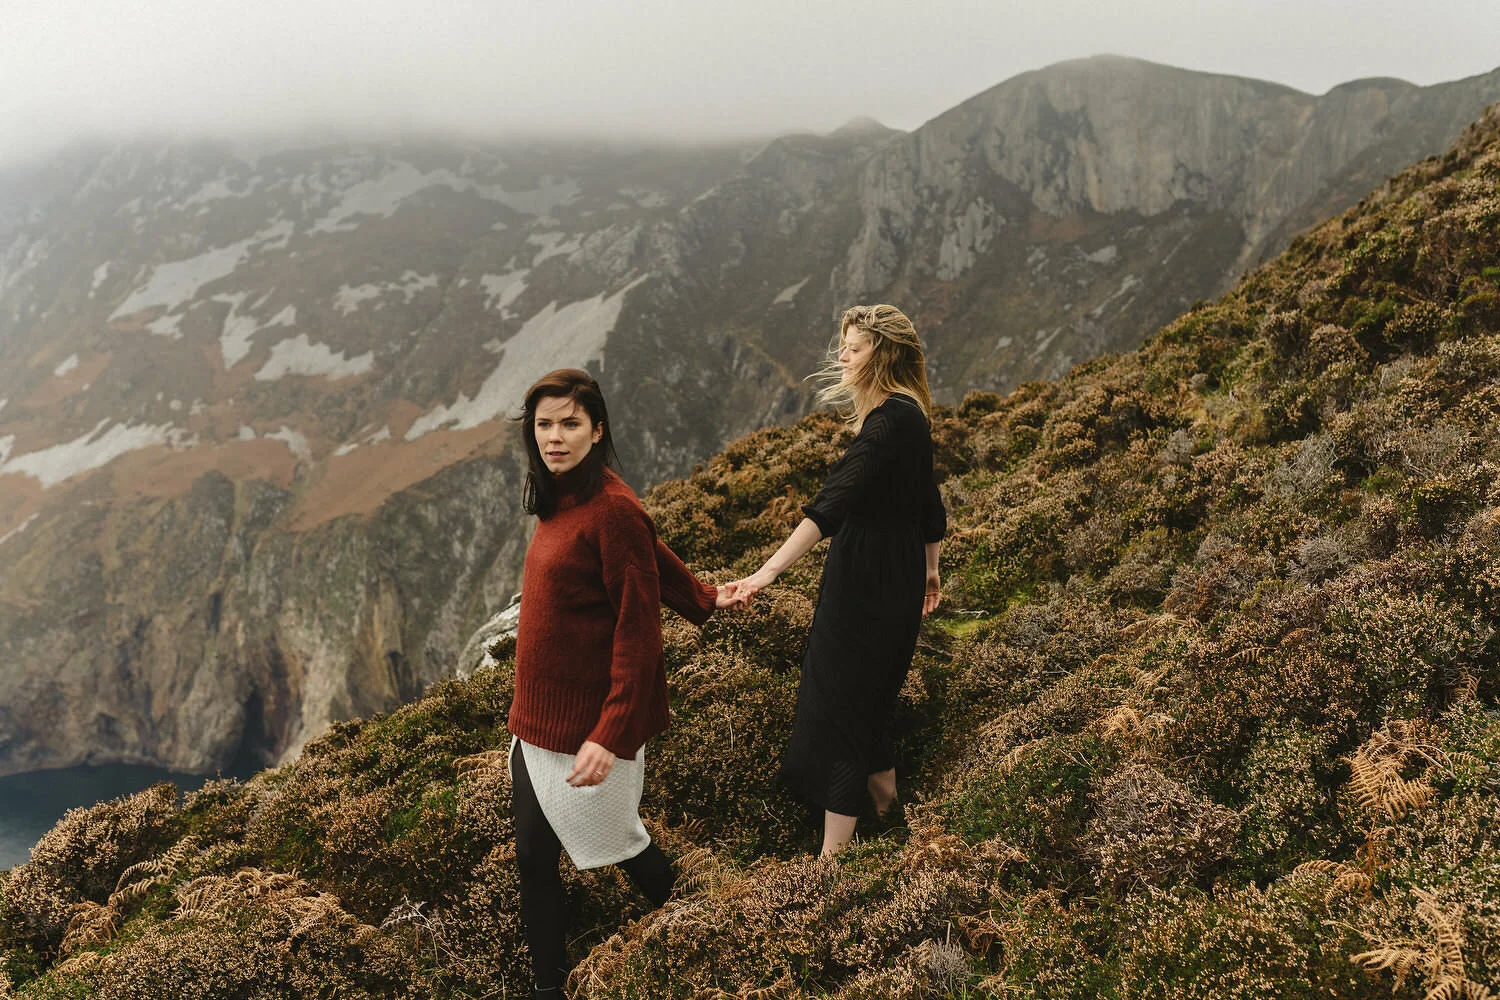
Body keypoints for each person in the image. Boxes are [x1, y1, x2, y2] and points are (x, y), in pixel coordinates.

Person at [506, 368, 741, 997]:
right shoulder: (560, 493)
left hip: (585, 726)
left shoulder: (612, 508)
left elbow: (638, 631)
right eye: (545, 425)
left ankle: (703, 928)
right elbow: (653, 557)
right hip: (535, 722)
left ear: (597, 429)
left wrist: (609, 734)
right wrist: (703, 596)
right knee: (533, 858)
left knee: (622, 844)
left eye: (570, 424)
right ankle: (547, 989)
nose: (555, 437)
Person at [733, 304, 946, 856]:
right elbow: (929, 504)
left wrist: (765, 574)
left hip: (864, 582)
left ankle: (834, 861)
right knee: (869, 698)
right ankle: (887, 809)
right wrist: (929, 569)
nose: (843, 356)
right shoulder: (911, 415)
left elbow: (830, 506)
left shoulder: (887, 423)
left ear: (884, 353)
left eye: (855, 346)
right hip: (892, 574)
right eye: (844, 345)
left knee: (842, 707)